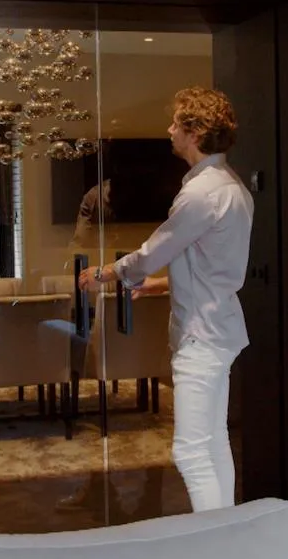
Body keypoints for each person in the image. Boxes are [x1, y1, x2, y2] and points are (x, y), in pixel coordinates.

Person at [78, 85, 253, 512]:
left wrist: (106, 273)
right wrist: (157, 285)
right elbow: (208, 267)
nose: (170, 130)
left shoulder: (201, 194)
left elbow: (153, 251)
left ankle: (213, 543)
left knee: (190, 451)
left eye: (176, 123)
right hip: (221, 328)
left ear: (195, 132)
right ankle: (225, 536)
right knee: (213, 442)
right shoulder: (232, 187)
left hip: (200, 336)